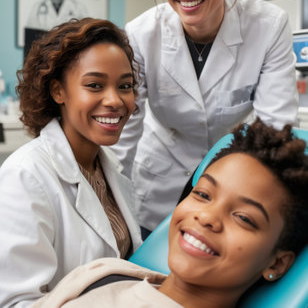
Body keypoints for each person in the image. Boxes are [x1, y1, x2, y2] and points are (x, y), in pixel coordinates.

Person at [111, 0, 299, 238]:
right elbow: (123, 133)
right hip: (157, 184)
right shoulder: (140, 35)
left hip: (230, 184)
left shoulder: (268, 26)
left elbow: (276, 129)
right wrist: (106, 204)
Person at [32, 119, 308, 307]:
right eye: (202, 195)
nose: (207, 216)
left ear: (277, 264)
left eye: (244, 218)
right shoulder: (109, 271)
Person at [0, 18, 142, 307]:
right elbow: (16, 302)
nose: (115, 100)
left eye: (125, 86)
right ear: (58, 91)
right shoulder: (25, 176)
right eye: (94, 85)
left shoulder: (108, 166)